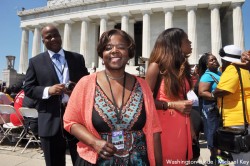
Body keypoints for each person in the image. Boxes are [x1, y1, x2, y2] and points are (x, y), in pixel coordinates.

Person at [63, 29, 162, 166]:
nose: (114, 51)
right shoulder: (85, 83)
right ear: (102, 54)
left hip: (138, 161)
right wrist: (94, 142)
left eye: (121, 47)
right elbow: (70, 122)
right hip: (96, 160)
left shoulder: (142, 85)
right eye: (108, 47)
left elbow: (154, 130)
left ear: (129, 54)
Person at [23, 24, 89, 166]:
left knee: (83, 162)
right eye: (48, 37)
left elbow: (87, 84)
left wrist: (76, 89)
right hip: (50, 120)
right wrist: (48, 90)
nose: (53, 39)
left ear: (60, 36)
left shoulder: (77, 58)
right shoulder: (35, 62)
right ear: (43, 41)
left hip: (77, 120)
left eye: (56, 35)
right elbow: (28, 88)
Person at [145, 28, 193, 165]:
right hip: (164, 127)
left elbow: (182, 99)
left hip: (183, 124)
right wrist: (172, 105)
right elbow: (145, 101)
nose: (190, 43)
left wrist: (191, 128)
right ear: (176, 44)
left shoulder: (182, 67)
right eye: (186, 40)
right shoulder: (156, 67)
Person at [213, 45, 250, 166]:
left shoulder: (232, 69)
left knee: (241, 158)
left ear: (225, 59)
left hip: (236, 118)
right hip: (245, 117)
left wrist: (215, 92)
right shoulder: (244, 69)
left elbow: (224, 90)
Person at [197, 53, 222, 163]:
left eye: (215, 59)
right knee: (213, 132)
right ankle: (214, 158)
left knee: (219, 132)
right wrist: (216, 97)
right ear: (206, 65)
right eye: (211, 60)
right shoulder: (207, 75)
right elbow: (202, 92)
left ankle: (219, 156)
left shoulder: (218, 73)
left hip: (220, 107)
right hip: (211, 108)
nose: (215, 61)